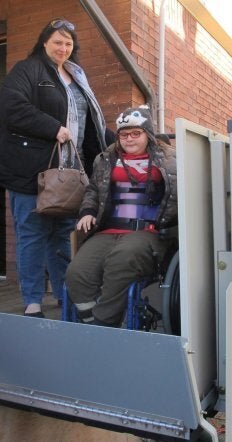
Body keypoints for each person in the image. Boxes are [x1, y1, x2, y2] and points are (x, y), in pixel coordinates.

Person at [0, 18, 108, 318]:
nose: (63, 48)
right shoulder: (29, 70)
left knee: (63, 236)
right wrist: (53, 127)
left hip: (65, 174)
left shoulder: (77, 76)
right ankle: (33, 300)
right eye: (57, 42)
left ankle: (67, 296)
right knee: (32, 234)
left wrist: (115, 141)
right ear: (44, 43)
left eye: (68, 43)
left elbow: (90, 123)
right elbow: (12, 107)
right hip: (30, 170)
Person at [65, 105, 178, 327]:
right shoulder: (106, 159)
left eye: (136, 133)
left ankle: (103, 326)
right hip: (108, 229)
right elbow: (93, 190)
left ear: (148, 134)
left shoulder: (170, 160)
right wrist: (87, 211)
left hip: (148, 231)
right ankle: (89, 320)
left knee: (121, 260)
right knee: (78, 272)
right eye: (124, 134)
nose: (129, 138)